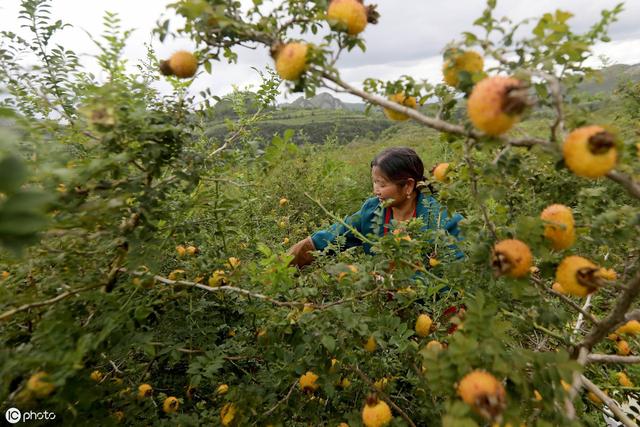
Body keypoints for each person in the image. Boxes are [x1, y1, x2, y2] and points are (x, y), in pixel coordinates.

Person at [288, 146, 463, 268]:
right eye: (374, 182)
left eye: (382, 184)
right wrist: (280, 267)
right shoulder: (372, 212)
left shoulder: (442, 220)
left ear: (408, 186)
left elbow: (456, 274)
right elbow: (328, 238)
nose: (375, 191)